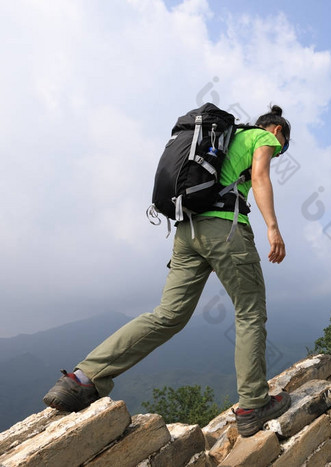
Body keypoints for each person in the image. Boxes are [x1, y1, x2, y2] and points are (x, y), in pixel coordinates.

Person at [43, 105, 292, 437]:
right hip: (226, 230)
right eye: (283, 147)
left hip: (186, 231)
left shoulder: (220, 140)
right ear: (276, 131)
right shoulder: (263, 137)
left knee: (168, 314)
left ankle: (82, 379)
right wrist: (273, 229)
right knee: (249, 312)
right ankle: (253, 404)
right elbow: (260, 176)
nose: (279, 152)